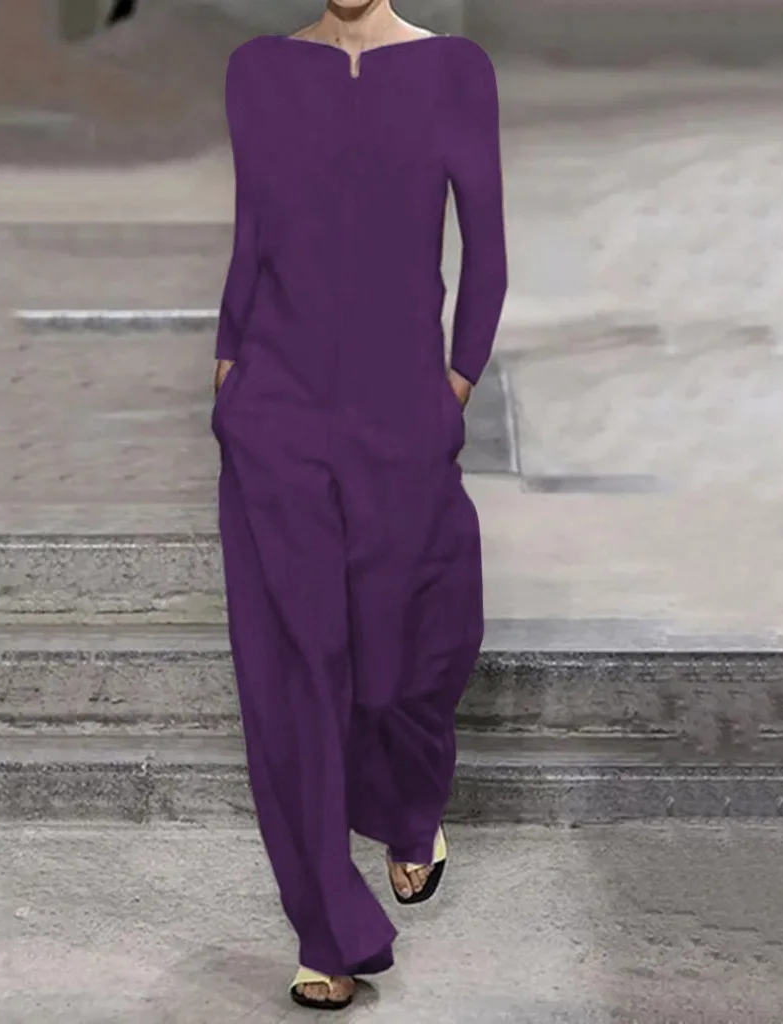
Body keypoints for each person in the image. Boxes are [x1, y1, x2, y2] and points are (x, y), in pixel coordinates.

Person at [210, 0, 507, 1010]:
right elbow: (254, 229)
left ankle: (410, 807)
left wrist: (455, 382)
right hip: (275, 410)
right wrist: (229, 370)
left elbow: (486, 246)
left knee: (404, 660)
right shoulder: (258, 71)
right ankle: (324, 931)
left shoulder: (455, 70)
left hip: (402, 413)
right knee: (292, 671)